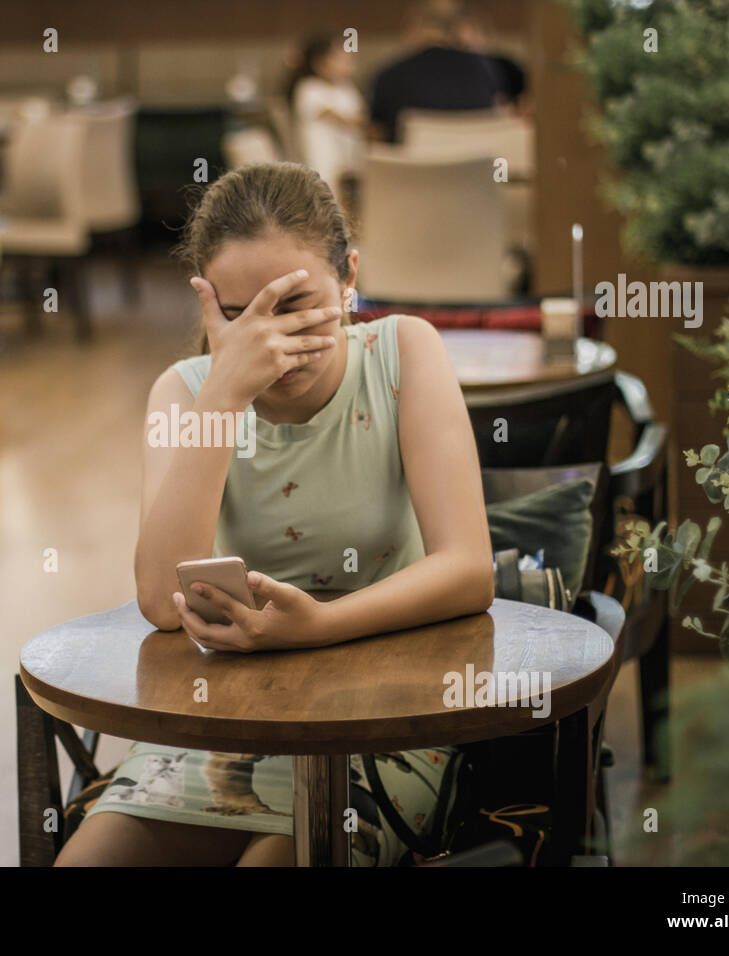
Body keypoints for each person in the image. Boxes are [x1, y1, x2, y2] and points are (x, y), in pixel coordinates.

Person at [54, 163, 494, 867]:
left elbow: (470, 570)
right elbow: (160, 603)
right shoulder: (183, 394)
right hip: (226, 719)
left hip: (382, 716)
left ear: (349, 275)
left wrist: (317, 627)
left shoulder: (405, 352)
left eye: (297, 307)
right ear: (206, 300)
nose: (272, 343)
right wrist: (224, 394)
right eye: (240, 315)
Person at [369, 0, 504, 142]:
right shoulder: (484, 69)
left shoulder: (389, 76)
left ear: (414, 27)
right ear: (454, 30)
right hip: (475, 162)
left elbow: (376, 135)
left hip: (411, 163)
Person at [285, 35, 367, 202]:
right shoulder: (309, 89)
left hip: (350, 157)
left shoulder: (347, 88)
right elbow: (339, 119)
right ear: (320, 63)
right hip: (324, 159)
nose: (347, 62)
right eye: (339, 58)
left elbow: (360, 116)